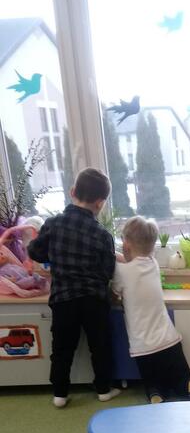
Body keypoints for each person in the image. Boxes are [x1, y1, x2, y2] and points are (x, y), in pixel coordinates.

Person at [27, 167, 120, 408]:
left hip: (63, 298)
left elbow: (35, 251)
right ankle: (103, 389)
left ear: (72, 192)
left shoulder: (53, 224)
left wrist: (54, 257)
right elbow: (107, 270)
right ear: (100, 203)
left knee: (62, 348)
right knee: (100, 345)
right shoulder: (102, 234)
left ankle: (60, 393)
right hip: (93, 299)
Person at [112, 215, 190, 404]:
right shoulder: (153, 264)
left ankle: (156, 393)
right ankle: (187, 384)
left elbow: (116, 289)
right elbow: (134, 261)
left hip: (143, 346)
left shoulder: (121, 272)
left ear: (126, 245)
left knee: (153, 381)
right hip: (170, 340)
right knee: (180, 375)